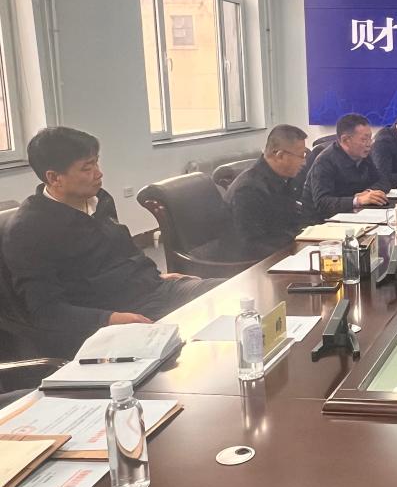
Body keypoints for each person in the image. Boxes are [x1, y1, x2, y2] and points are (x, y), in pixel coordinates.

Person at [4, 127, 218, 355]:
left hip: (153, 292)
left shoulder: (100, 200)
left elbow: (120, 254)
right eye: (87, 168)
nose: (99, 173)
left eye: (96, 162)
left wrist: (153, 277)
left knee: (230, 297)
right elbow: (46, 312)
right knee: (196, 352)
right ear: (54, 178)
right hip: (109, 321)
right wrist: (110, 319)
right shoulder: (28, 229)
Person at [224, 124, 310, 261]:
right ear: (280, 156)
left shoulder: (284, 179)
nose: (304, 162)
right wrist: (297, 251)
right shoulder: (249, 190)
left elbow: (291, 220)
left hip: (284, 250)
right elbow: (252, 245)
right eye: (301, 156)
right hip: (254, 264)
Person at [303, 113, 388, 219]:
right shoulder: (324, 161)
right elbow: (322, 203)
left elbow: (383, 181)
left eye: (370, 138)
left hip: (354, 215)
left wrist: (367, 192)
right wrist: (357, 200)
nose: (369, 144)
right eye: (364, 139)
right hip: (324, 221)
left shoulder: (363, 155)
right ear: (345, 140)